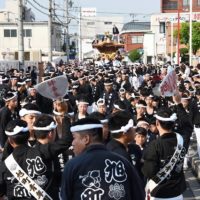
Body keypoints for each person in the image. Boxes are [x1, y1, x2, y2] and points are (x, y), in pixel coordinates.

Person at [61, 117, 145, 200]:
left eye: (74, 138)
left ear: (86, 139)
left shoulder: (72, 165)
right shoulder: (123, 162)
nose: (72, 143)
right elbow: (139, 195)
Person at [0, 118, 72, 200]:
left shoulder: (4, 165)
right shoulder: (42, 151)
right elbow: (66, 141)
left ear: (10, 140)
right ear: (28, 135)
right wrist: (65, 118)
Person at [142, 107, 189, 200]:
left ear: (157, 123)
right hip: (177, 193)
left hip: (158, 193)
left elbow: (149, 172)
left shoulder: (154, 145)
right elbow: (188, 126)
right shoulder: (182, 139)